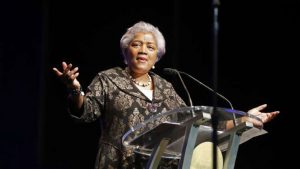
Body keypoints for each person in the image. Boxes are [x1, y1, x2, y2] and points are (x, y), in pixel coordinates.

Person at [52, 21, 279, 169]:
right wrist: (74, 88)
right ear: (125, 51)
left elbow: (195, 125)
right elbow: (85, 110)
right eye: (137, 45)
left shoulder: (165, 87)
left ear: (157, 57)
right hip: (117, 164)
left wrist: (243, 120)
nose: (143, 51)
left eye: (150, 47)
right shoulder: (109, 79)